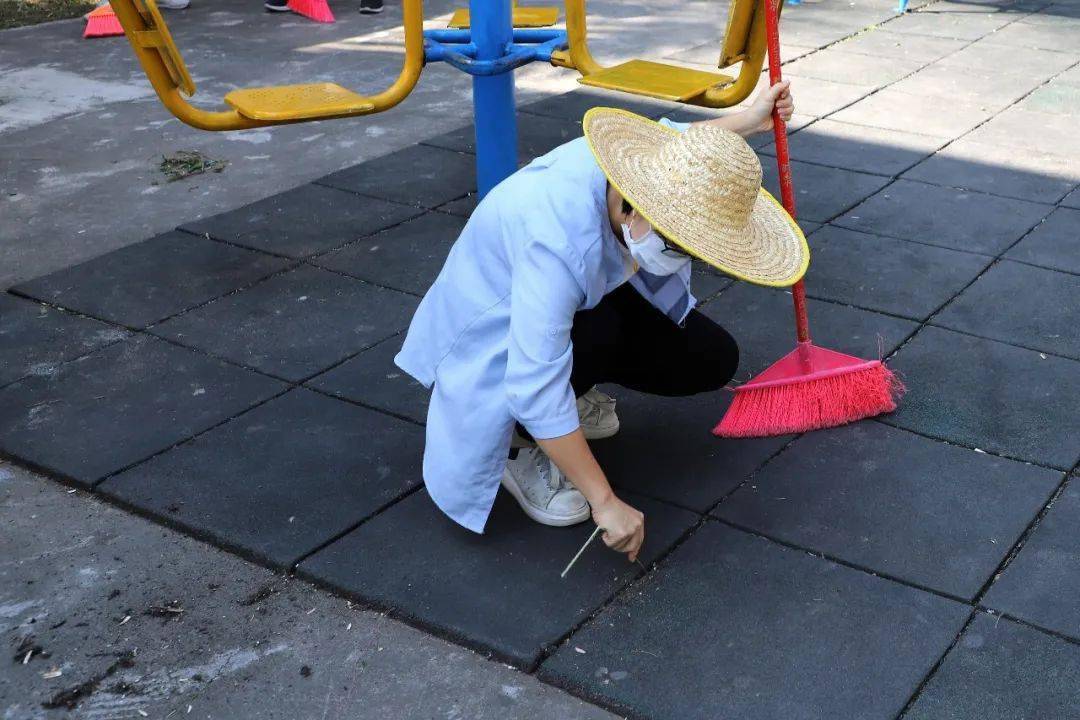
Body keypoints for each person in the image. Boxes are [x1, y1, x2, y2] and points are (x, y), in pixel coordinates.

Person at [395, 82, 804, 563]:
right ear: (634, 203)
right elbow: (533, 384)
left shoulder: (638, 162)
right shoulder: (556, 243)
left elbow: (678, 140)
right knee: (567, 363)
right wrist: (605, 502)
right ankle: (516, 446)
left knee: (710, 357)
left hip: (571, 300)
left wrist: (750, 119)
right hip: (494, 333)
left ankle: (571, 403)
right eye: (678, 243)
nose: (686, 256)